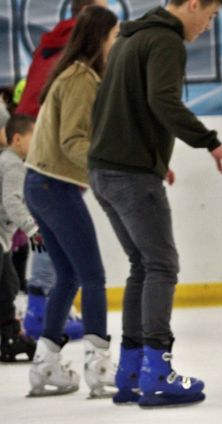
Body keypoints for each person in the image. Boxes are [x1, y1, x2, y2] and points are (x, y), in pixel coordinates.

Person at [87, 0, 222, 408]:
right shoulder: (166, 41)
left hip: (104, 169)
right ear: (191, 5)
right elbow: (163, 101)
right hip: (130, 173)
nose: (208, 25)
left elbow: (108, 106)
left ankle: (130, 371)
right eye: (211, 15)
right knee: (162, 265)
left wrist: (155, 159)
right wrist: (211, 142)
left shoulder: (129, 38)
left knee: (143, 264)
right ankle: (156, 369)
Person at [24, 6, 119, 398]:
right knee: (93, 275)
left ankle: (45, 365)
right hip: (54, 185)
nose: (115, 44)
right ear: (99, 39)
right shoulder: (80, 78)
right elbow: (72, 141)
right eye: (113, 37)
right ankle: (98, 366)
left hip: (40, 183)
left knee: (68, 276)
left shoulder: (74, 74)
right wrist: (105, 168)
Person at [15, 0, 107, 341]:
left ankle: (43, 309)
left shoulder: (54, 38)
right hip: (51, 152)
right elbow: (71, 132)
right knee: (84, 266)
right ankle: (40, 305)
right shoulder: (79, 57)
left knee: (55, 238)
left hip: (31, 138)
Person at [0, 115, 40, 363]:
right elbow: (11, 200)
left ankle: (10, 337)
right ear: (17, 139)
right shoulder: (13, 163)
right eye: (32, 139)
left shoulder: (7, 160)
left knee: (8, 285)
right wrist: (32, 229)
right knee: (6, 285)